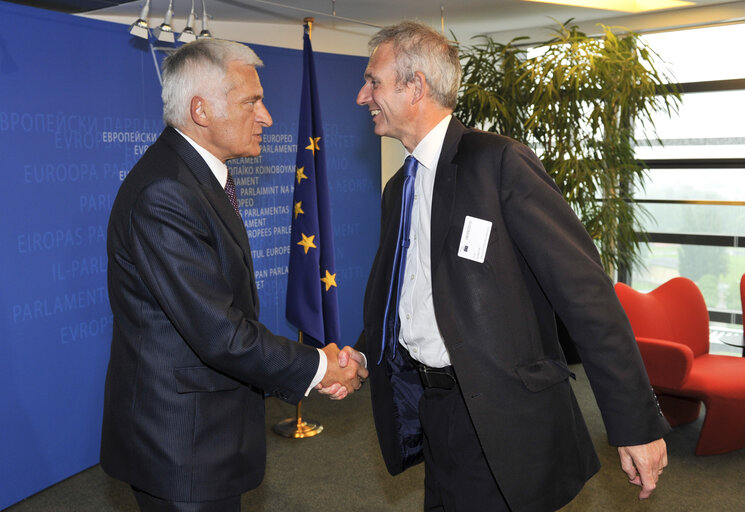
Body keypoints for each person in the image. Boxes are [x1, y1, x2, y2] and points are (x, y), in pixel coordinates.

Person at [352, 21, 670, 512]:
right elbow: (404, 294)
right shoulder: (402, 187)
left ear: (414, 87)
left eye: (373, 81)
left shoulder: (498, 163)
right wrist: (357, 359)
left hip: (503, 417)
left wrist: (635, 425)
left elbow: (587, 296)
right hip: (436, 410)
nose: (361, 95)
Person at [100, 38, 366, 512]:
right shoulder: (167, 193)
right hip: (181, 447)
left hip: (206, 436)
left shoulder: (197, 178)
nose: (265, 116)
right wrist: (322, 366)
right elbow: (221, 333)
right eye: (251, 102)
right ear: (200, 111)